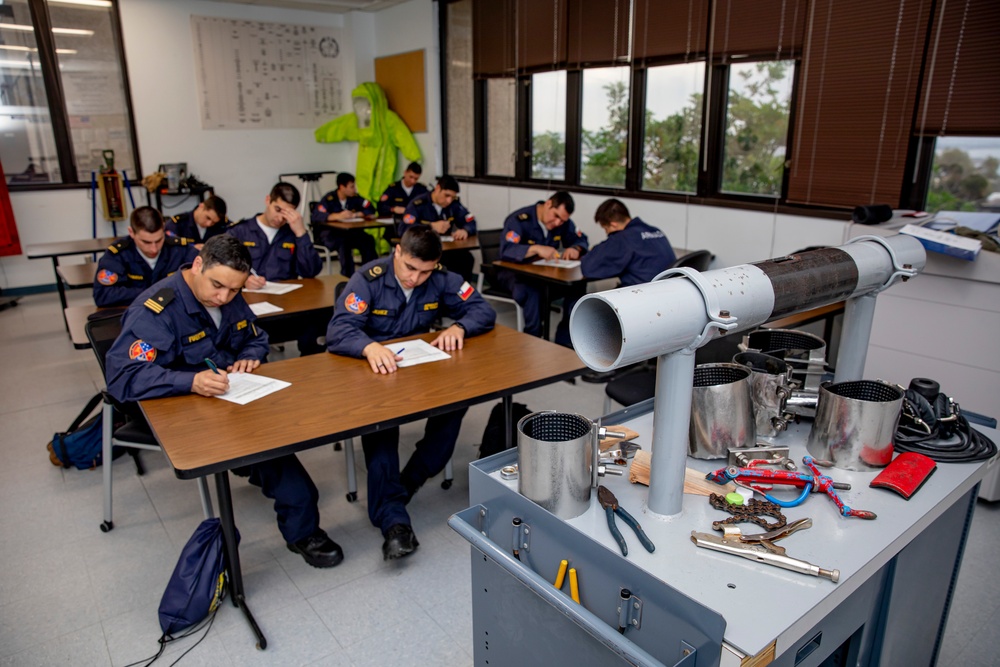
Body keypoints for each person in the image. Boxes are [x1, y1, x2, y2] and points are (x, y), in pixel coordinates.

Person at [104, 235, 344, 569]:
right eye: (218, 286)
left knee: (285, 439)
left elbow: (255, 335)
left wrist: (249, 355)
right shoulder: (157, 309)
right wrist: (190, 381)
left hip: (232, 398)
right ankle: (299, 524)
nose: (224, 297)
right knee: (272, 458)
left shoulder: (229, 292)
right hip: (182, 408)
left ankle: (297, 524)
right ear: (198, 264)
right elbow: (122, 378)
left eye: (234, 290)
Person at [326, 226, 496, 560]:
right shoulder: (368, 278)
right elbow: (339, 330)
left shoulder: (441, 277)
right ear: (397, 252)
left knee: (456, 404)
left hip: (421, 370)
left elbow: (483, 310)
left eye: (425, 272)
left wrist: (460, 326)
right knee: (382, 432)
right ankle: (394, 523)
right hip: (373, 373)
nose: (415, 279)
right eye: (410, 268)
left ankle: (410, 480)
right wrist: (368, 346)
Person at [227, 182, 325, 355]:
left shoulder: (291, 233)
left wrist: (301, 233)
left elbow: (311, 271)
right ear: (267, 200)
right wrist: (244, 280)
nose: (280, 218)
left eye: (287, 213)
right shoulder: (241, 231)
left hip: (287, 308)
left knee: (315, 326)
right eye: (278, 209)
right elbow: (221, 265)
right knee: (250, 346)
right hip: (252, 309)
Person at [497, 191, 588, 347]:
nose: (558, 223)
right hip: (515, 275)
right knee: (532, 290)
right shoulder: (519, 220)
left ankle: (565, 340)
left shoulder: (562, 222)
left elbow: (580, 239)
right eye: (556, 216)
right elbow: (506, 251)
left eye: (562, 220)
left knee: (576, 287)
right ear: (548, 204)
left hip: (546, 274)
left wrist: (576, 248)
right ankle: (533, 340)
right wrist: (535, 249)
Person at [94, 206, 198, 308]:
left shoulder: (180, 249)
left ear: (163, 228)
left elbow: (202, 277)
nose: (154, 249)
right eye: (146, 242)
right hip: (134, 314)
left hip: (176, 313)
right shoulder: (117, 254)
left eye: (158, 240)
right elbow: (103, 295)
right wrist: (156, 292)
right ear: (131, 232)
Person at [582, 198, 676, 285]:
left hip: (640, 296)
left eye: (606, 229)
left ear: (613, 225)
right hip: (667, 292)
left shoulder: (623, 237)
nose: (607, 234)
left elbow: (589, 267)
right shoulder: (655, 230)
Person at [400, 175, 477, 282]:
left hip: (447, 249)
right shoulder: (418, 204)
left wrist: (465, 230)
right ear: (437, 189)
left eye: (452, 197)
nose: (449, 200)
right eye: (446, 195)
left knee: (466, 258)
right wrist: (430, 227)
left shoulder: (454, 205)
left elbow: (470, 221)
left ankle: (460, 294)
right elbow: (404, 229)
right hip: (424, 250)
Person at [311, 172, 379, 278]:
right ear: (342, 187)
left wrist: (357, 214)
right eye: (351, 187)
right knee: (344, 244)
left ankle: (370, 275)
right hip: (331, 235)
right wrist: (336, 216)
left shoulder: (355, 198)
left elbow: (370, 208)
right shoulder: (329, 199)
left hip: (350, 233)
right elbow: (316, 215)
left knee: (368, 240)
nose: (354, 189)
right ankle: (348, 277)